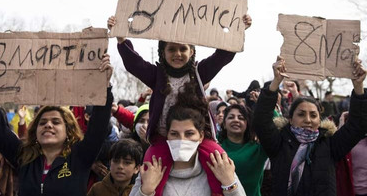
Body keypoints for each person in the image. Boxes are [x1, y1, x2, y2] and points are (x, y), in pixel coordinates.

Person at [108, 15, 252, 195]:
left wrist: (238, 32)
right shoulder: (156, 75)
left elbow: (220, 57)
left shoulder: (199, 73)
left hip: (197, 137)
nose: (177, 54)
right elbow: (134, 64)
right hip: (164, 137)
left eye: (183, 49)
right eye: (172, 49)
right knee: (152, 173)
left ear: (191, 52)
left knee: (219, 161)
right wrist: (122, 40)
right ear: (163, 52)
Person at [0, 54, 114, 196]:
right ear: (35, 130)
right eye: (42, 122)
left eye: (56, 122)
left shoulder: (80, 157)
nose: (48, 125)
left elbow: (98, 127)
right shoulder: (24, 157)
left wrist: (104, 86)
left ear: (68, 131)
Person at [253, 56, 367, 196]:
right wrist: (276, 82)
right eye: (301, 114)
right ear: (290, 119)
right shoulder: (279, 142)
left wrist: (358, 86)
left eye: (313, 115)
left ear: (319, 120)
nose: (308, 120)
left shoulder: (330, 145)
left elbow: (357, 125)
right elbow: (261, 120)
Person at [129, 104, 246, 196]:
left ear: (200, 136)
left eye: (189, 134)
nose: (182, 140)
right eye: (174, 134)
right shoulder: (151, 170)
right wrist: (146, 191)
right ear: (167, 136)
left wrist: (230, 185)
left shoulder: (220, 167)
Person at [219, 104, 268, 196]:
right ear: (224, 124)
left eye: (241, 118)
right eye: (231, 117)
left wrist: (263, 103)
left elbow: (277, 127)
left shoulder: (258, 149)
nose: (236, 120)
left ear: (247, 124)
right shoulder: (215, 146)